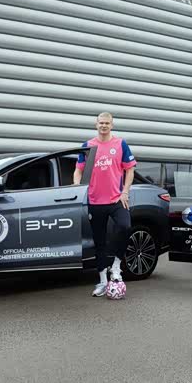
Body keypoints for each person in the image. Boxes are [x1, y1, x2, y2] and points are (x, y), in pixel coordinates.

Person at [73, 112, 137, 297]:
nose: (103, 126)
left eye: (107, 123)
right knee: (99, 242)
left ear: (112, 125)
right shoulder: (88, 146)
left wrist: (125, 192)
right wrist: (77, 189)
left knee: (125, 226)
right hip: (95, 201)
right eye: (101, 123)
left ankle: (116, 267)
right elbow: (78, 171)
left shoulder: (120, 144)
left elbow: (130, 170)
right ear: (96, 124)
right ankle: (102, 281)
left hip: (116, 199)